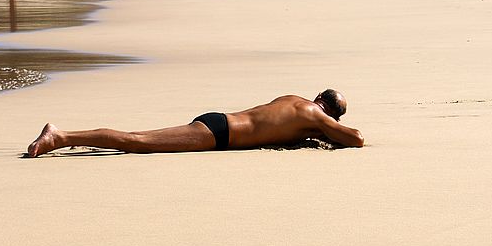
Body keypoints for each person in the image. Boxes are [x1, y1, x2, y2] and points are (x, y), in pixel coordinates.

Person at [26, 89, 364, 157]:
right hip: (219, 134)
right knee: (135, 141)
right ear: (330, 111)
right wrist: (329, 127)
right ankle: (62, 135)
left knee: (137, 140)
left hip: (218, 122)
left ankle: (67, 137)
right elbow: (356, 139)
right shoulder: (315, 116)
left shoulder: (292, 99)